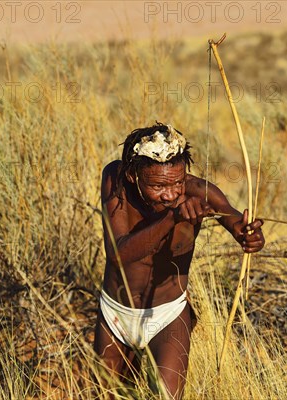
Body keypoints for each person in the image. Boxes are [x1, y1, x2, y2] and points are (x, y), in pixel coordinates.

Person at [94, 123, 265, 399]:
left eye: (177, 182)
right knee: (107, 395)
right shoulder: (115, 182)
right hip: (116, 314)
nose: (171, 194)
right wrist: (173, 217)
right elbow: (118, 255)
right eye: (159, 185)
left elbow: (235, 222)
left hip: (167, 314)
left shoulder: (198, 192)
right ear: (132, 175)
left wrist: (250, 236)